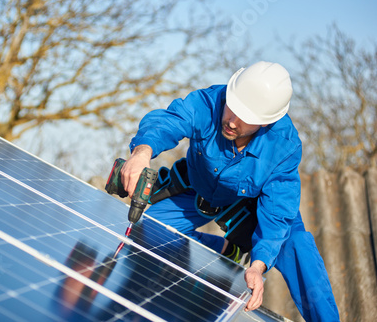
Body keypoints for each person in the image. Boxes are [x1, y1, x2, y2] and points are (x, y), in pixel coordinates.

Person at [120, 61, 340, 321]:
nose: (232, 122)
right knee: (151, 232)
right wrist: (142, 152)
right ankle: (226, 249)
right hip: (199, 189)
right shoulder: (209, 103)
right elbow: (171, 120)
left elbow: (277, 212)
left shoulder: (284, 145)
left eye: (245, 118)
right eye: (232, 109)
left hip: (251, 206)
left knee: (295, 246)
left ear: (265, 122)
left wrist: (257, 267)